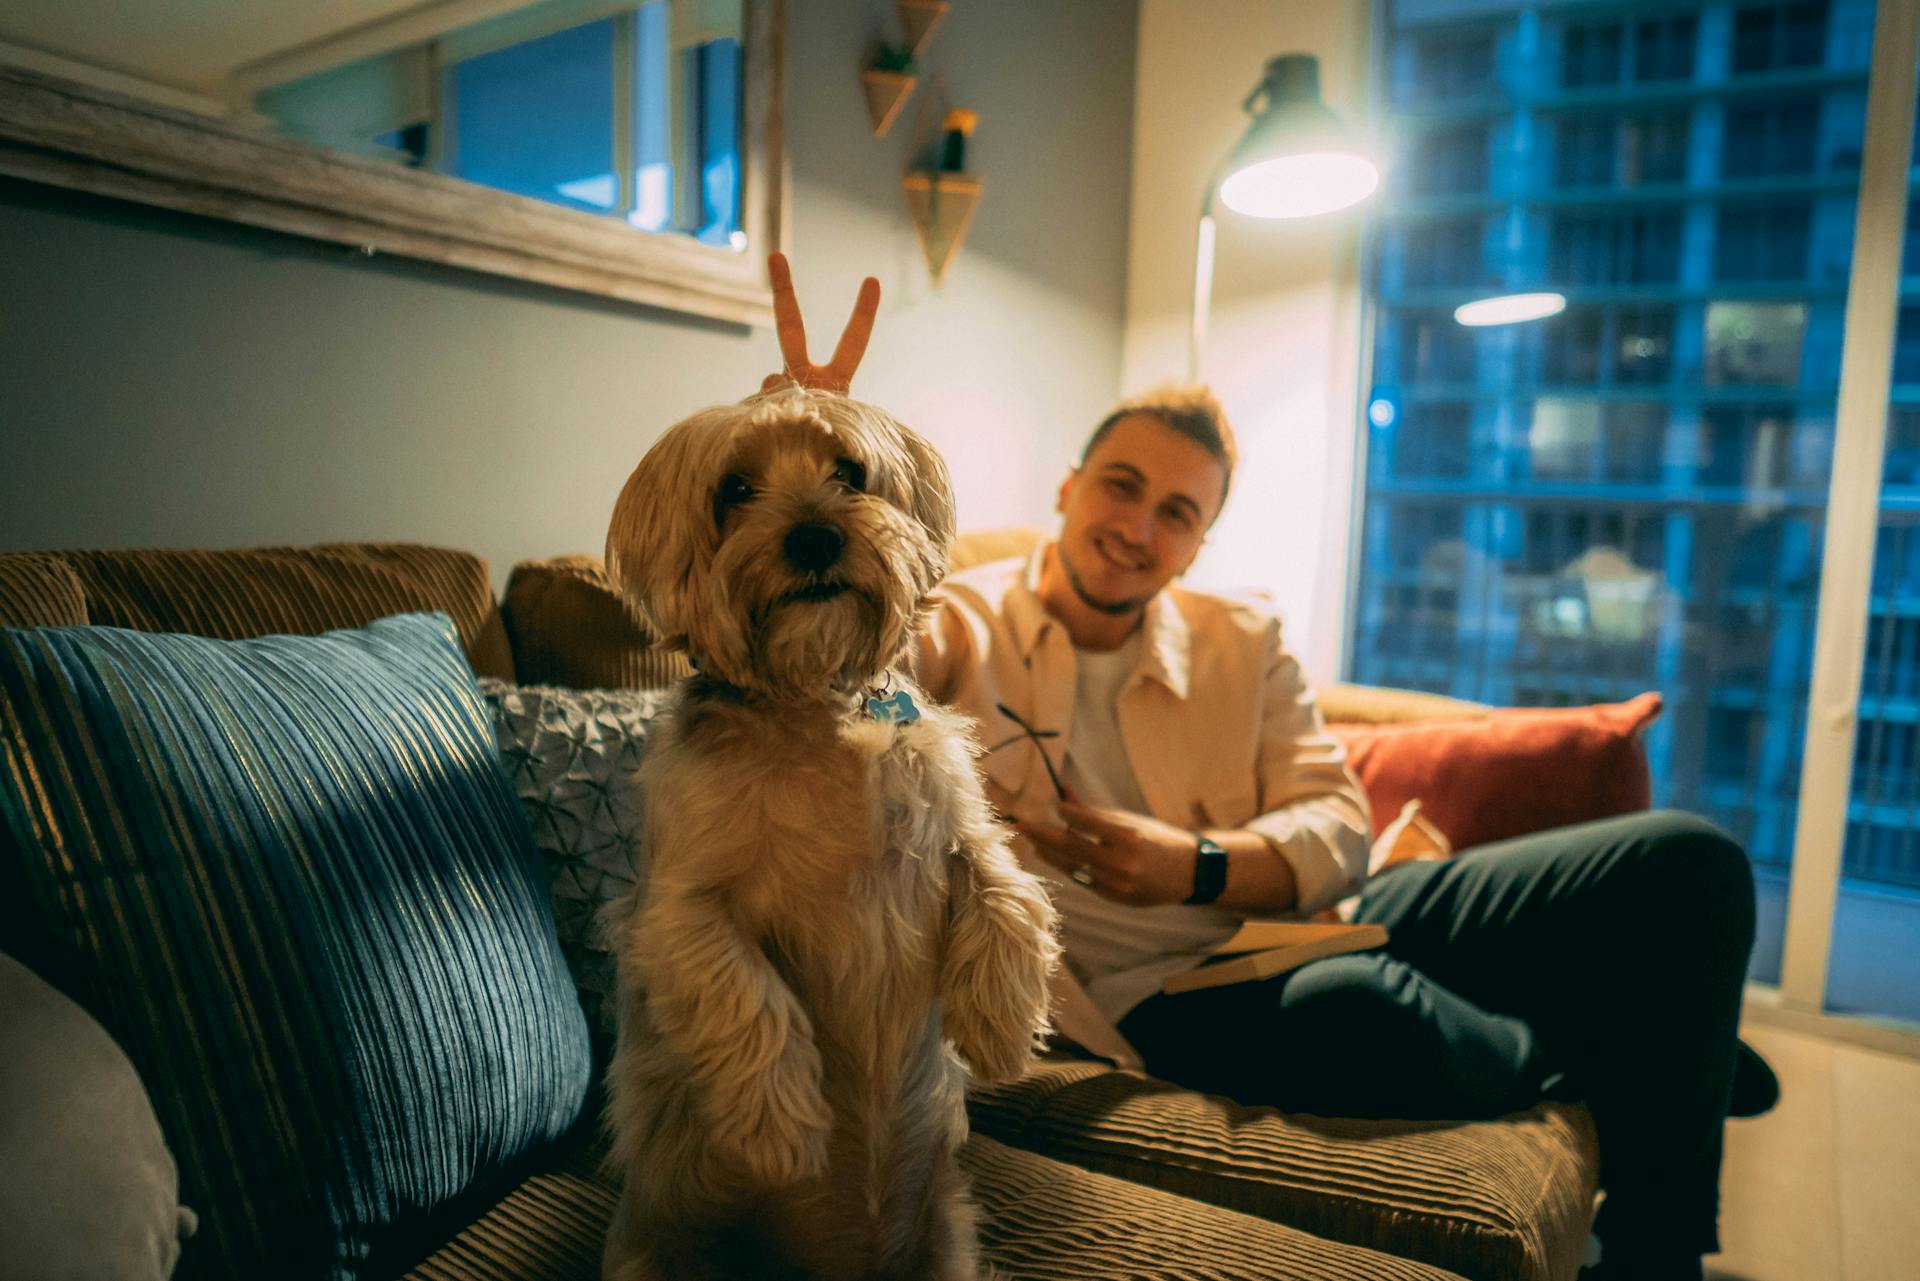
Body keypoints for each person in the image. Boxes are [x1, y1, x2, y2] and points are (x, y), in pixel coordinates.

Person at [759, 257, 1771, 1281]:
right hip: (1180, 991)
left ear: (1198, 544)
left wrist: (1195, 863)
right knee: (1358, 1017)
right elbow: (850, 657)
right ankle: (1635, 1065)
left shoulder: (1243, 638)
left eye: (1178, 512)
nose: (1138, 528)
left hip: (1334, 907)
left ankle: (1656, 1242)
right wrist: (824, 449)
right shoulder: (959, 623)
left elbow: (1337, 820)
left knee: (1689, 861)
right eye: (1120, 486)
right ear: (1069, 489)